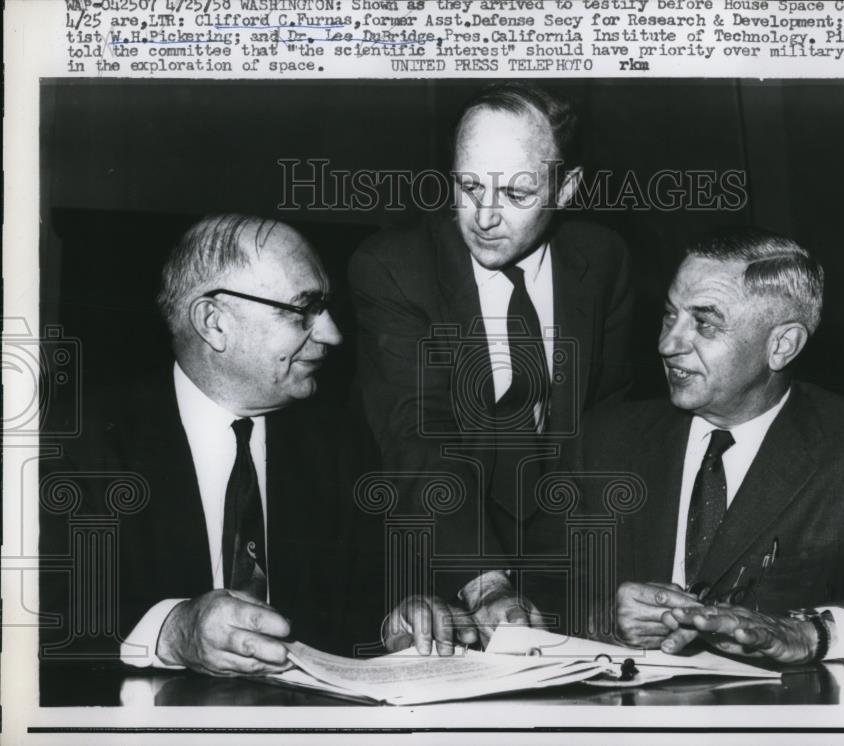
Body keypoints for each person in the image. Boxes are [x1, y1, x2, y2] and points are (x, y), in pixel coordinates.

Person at [349, 83, 634, 651]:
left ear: (567, 188)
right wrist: (485, 583)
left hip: (578, 574)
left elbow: (609, 425)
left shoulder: (602, 259)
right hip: (443, 574)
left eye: (519, 192)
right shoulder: (394, 267)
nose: (484, 216)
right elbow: (413, 437)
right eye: (469, 185)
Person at [40, 215, 382, 675]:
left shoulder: (340, 444)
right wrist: (170, 631)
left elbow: (365, 602)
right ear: (213, 322)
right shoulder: (76, 444)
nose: (332, 334)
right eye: (303, 310)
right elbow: (34, 618)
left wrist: (402, 618)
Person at [560, 227, 844, 664]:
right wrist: (605, 620)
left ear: (782, 345)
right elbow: (545, 590)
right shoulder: (605, 440)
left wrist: (811, 633)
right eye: (669, 316)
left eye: (704, 324)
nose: (667, 345)